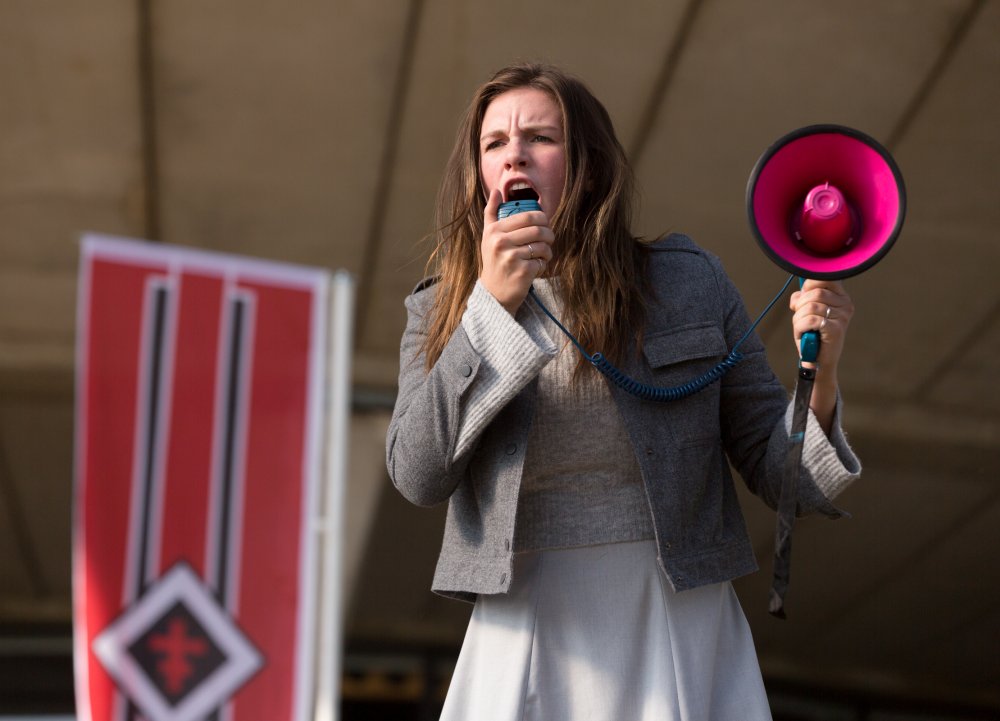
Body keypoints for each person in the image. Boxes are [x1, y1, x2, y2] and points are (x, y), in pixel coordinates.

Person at [385, 63, 860, 721]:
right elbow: (417, 473)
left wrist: (821, 373)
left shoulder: (687, 282)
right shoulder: (441, 307)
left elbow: (789, 480)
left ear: (588, 166)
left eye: (540, 137)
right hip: (524, 616)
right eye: (494, 143)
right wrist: (490, 308)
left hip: (675, 611)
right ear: (481, 175)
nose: (514, 154)